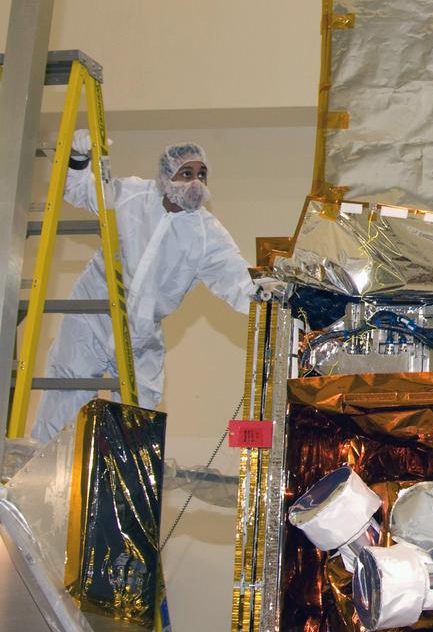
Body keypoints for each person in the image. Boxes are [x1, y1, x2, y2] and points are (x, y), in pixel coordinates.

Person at [31, 132, 281, 442]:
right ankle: (40, 477)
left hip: (141, 331)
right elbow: (81, 191)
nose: (196, 182)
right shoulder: (132, 195)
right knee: (64, 396)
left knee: (140, 414)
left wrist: (268, 296)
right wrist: (78, 158)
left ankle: (126, 485)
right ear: (165, 175)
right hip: (91, 314)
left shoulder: (206, 232)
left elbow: (235, 279)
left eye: (202, 174)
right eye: (186, 173)